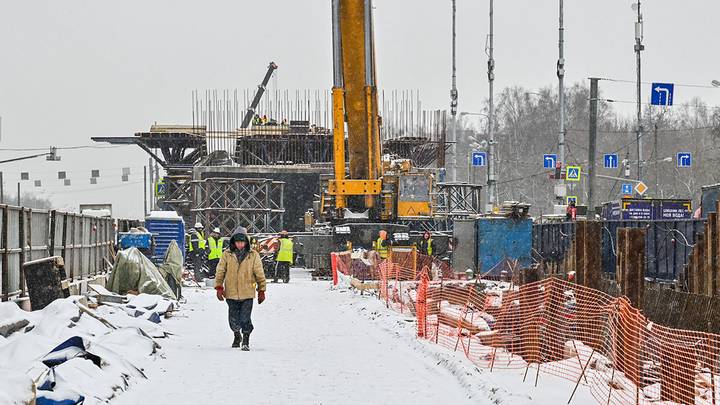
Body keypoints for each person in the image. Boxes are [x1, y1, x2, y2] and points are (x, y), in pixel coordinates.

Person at [215, 228, 267, 350]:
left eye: (242, 242)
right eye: (237, 242)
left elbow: (259, 273)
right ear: (233, 242)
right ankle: (237, 335)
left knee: (245, 318)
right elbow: (220, 271)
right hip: (231, 292)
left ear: (246, 242)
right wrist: (219, 287)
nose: (240, 244)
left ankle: (246, 340)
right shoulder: (227, 254)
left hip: (247, 291)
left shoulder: (253, 255)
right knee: (233, 319)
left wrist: (261, 290)